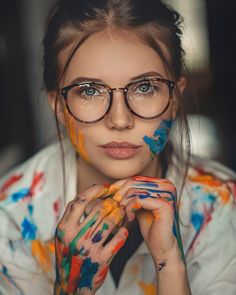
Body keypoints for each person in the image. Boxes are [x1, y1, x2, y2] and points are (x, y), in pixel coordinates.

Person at [0, 0, 236, 294]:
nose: (120, 119)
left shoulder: (224, 207)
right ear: (59, 106)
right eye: (89, 90)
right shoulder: (10, 219)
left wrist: (170, 264)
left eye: (145, 87)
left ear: (175, 98)